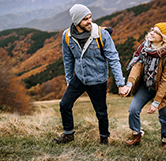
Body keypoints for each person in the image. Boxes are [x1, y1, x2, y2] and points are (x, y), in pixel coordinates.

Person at [52, 4, 130, 145]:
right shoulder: (67, 36)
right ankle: (68, 134)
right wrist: (69, 79)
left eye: (90, 17)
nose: (90, 21)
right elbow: (68, 58)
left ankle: (104, 138)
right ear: (76, 22)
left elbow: (113, 59)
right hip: (79, 78)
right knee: (64, 104)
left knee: (101, 112)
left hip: (98, 79)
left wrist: (120, 84)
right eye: (85, 19)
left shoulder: (101, 34)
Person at [119, 21, 166, 148]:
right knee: (133, 110)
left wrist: (156, 102)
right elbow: (137, 66)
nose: (152, 33)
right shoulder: (144, 47)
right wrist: (129, 84)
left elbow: (165, 80)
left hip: (162, 89)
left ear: (163, 37)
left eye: (157, 32)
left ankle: (165, 140)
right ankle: (136, 135)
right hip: (146, 86)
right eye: (153, 29)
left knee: (164, 117)